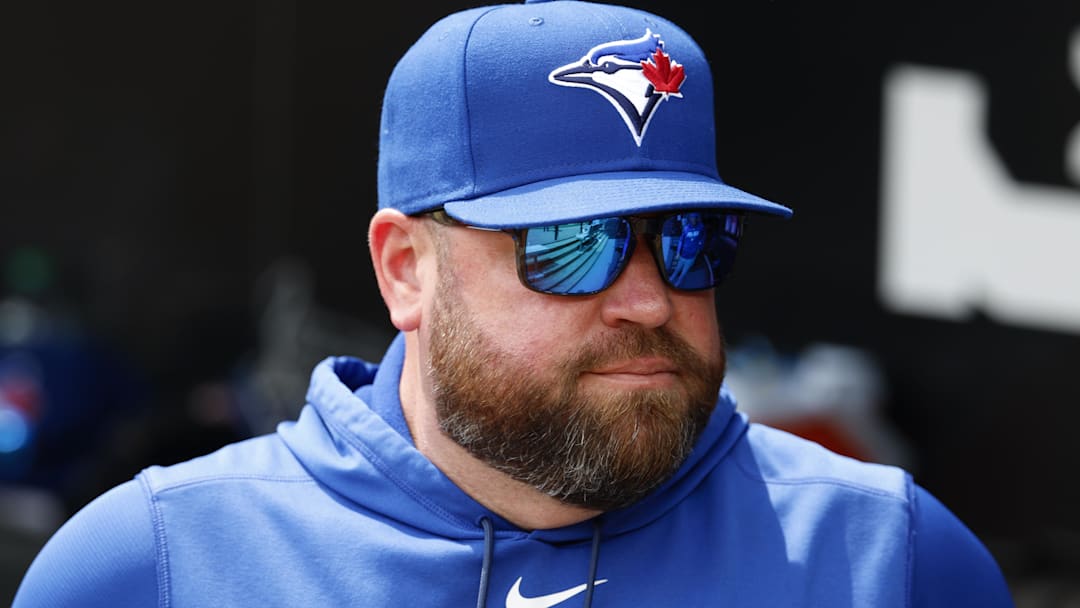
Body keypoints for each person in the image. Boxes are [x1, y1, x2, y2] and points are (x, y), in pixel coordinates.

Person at [15, 1, 1014, 606]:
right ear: (405, 267)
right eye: (566, 244)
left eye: (690, 240)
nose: (647, 298)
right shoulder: (158, 564)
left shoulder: (889, 558)